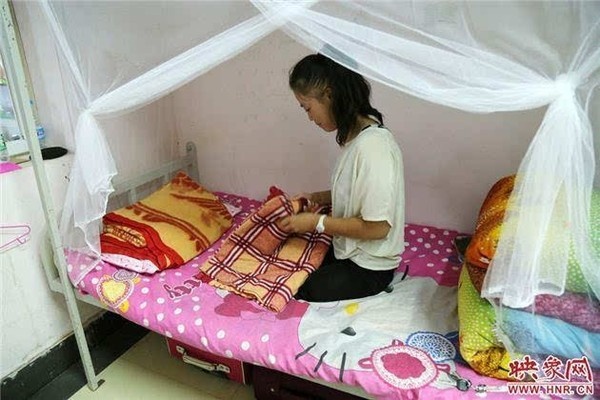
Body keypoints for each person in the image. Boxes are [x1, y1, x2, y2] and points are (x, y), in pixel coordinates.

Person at [280, 53, 405, 302]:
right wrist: (315, 198)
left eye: (307, 108)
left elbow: (379, 227)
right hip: (348, 252)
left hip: (368, 267)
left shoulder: (373, 147)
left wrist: (317, 222)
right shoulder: (358, 137)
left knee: (297, 288)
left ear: (329, 94)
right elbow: (356, 190)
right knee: (291, 258)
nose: (310, 118)